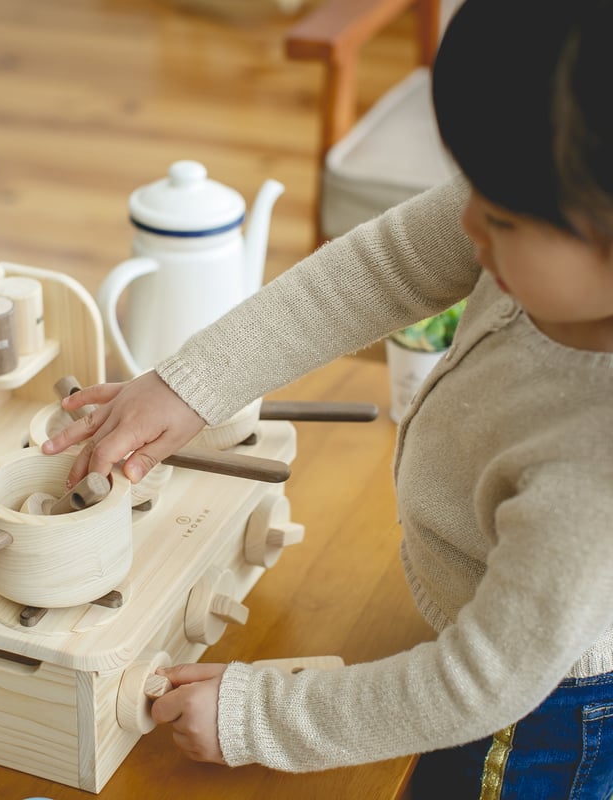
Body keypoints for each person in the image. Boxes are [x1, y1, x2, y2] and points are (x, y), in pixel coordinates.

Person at [43, 1, 613, 795]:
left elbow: (476, 687)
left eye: (504, 217)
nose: (466, 219)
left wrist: (260, 715)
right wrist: (190, 382)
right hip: (489, 621)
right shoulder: (548, 208)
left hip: (541, 718)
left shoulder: (594, 477)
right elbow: (383, 266)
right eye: (467, 182)